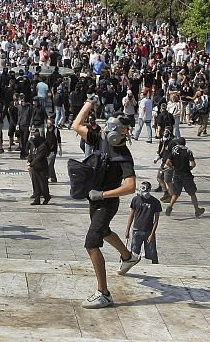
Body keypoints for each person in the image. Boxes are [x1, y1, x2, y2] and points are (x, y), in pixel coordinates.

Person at [72, 100, 139, 309]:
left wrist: (103, 194)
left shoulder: (124, 156)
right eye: (126, 129)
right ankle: (129, 256)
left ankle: (104, 293)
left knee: (92, 243)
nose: (129, 133)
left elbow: (130, 186)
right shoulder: (102, 139)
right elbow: (76, 125)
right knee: (104, 231)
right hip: (94, 199)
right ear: (116, 129)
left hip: (106, 203)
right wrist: (88, 103)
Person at [164, 137, 205, 217]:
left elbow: (167, 162)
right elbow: (193, 164)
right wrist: (189, 168)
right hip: (186, 176)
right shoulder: (188, 151)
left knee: (176, 194)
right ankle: (197, 210)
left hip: (177, 175)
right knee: (192, 193)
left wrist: (172, 167)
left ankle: (169, 207)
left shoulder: (174, 151)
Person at [123, 181, 161, 268]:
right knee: (134, 253)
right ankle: (130, 268)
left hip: (148, 231)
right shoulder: (135, 199)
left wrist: (152, 234)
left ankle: (156, 268)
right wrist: (127, 230)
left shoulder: (155, 202)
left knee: (152, 253)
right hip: (136, 230)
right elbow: (131, 215)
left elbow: (156, 220)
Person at [27, 130, 50, 205]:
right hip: (34, 168)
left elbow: (39, 157)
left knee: (43, 185)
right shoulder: (33, 145)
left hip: (42, 168)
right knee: (35, 183)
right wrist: (29, 161)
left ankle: (46, 197)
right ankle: (37, 199)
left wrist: (31, 164)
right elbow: (31, 154)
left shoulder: (42, 147)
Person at [44, 116, 62, 184]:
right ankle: (54, 178)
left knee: (49, 163)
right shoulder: (46, 130)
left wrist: (60, 150)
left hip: (53, 149)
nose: (48, 125)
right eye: (47, 123)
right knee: (50, 164)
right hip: (47, 149)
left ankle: (46, 178)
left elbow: (59, 140)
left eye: (50, 123)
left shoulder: (56, 130)